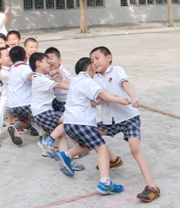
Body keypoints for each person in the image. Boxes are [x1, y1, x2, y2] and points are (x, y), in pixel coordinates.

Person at [90, 46, 161, 203]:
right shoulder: (95, 79)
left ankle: (152, 187)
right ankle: (113, 159)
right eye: (92, 60)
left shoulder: (117, 70)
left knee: (135, 149)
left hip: (129, 117)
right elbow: (95, 99)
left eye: (97, 58)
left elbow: (126, 84)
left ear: (108, 57)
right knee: (90, 134)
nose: (94, 62)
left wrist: (134, 98)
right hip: (110, 120)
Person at [52, 57, 131, 195]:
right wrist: (119, 100)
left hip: (69, 123)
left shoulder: (75, 81)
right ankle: (105, 183)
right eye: (94, 66)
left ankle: (66, 155)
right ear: (90, 67)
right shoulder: (88, 81)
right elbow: (101, 93)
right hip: (82, 122)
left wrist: (109, 99)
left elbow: (93, 102)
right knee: (102, 149)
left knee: (86, 144)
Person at [7, 46, 34, 146]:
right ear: (25, 55)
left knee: (25, 122)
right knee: (41, 119)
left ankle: (14, 127)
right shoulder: (25, 68)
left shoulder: (12, 68)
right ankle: (45, 140)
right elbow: (31, 78)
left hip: (14, 104)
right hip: (26, 102)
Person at [45, 47, 71, 113]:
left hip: (65, 101)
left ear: (59, 60)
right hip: (57, 99)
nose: (49, 61)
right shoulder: (49, 72)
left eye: (51, 58)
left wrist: (61, 79)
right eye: (47, 59)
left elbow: (69, 83)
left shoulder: (65, 73)